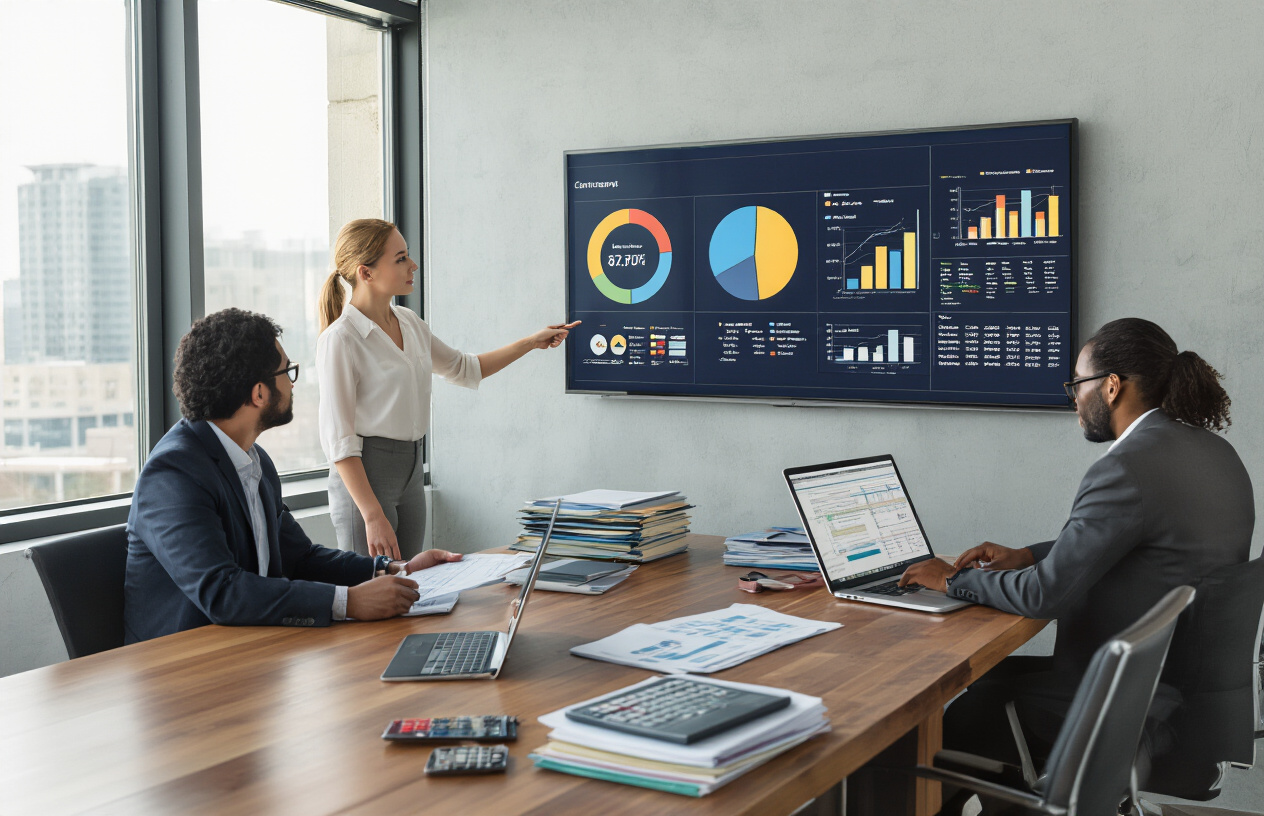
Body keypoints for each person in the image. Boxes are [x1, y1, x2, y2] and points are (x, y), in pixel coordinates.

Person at [898, 317, 1254, 771]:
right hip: (1181, 689)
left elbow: (1043, 595)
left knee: (968, 717)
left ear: (1110, 387)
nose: (1073, 402)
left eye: (1077, 385)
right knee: (986, 685)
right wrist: (1028, 555)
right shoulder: (1213, 452)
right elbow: (1140, 542)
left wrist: (953, 580)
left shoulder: (1127, 466)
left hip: (1131, 696)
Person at [124, 308, 463, 644]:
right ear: (259, 393)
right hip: (183, 669)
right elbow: (222, 592)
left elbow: (300, 558)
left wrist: (394, 570)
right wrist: (350, 602)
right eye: (287, 371)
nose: (291, 382)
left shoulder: (255, 462)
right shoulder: (173, 474)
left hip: (252, 651)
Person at [316, 218, 577, 559]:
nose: (413, 265)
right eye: (400, 259)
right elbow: (339, 442)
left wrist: (531, 342)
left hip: (411, 470)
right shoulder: (341, 339)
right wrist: (371, 513)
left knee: (410, 590)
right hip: (366, 477)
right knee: (370, 593)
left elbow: (465, 368)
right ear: (366, 273)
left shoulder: (409, 323)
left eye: (408, 255)